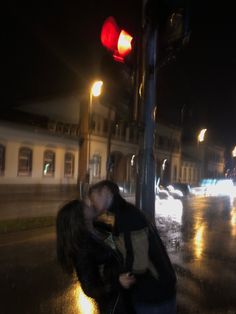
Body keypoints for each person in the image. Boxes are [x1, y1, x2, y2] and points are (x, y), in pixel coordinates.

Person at [88, 180, 177, 314]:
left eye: (94, 196)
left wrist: (118, 281)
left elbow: (138, 264)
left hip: (154, 293)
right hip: (145, 291)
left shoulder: (128, 216)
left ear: (106, 192)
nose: (92, 202)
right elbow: (110, 247)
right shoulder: (111, 215)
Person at [56, 199, 136, 314]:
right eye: (86, 207)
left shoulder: (98, 227)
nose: (90, 205)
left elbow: (116, 241)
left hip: (127, 293)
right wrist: (118, 282)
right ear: (80, 217)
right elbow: (91, 289)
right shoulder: (82, 250)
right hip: (115, 305)